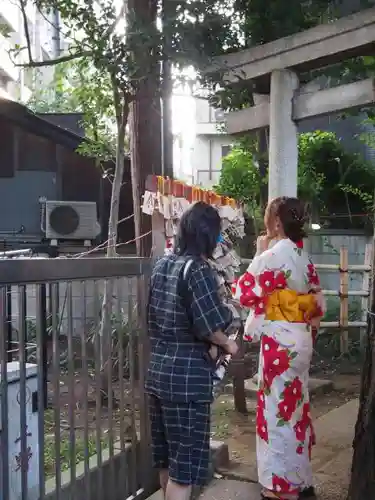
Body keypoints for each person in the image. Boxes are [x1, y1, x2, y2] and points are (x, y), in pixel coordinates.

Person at [145, 201, 239, 500]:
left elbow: (150, 317)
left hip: (158, 372)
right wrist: (227, 343)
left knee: (167, 460)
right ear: (208, 235)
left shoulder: (162, 265)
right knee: (184, 469)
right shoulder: (197, 269)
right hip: (186, 379)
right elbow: (209, 324)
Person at [234, 197, 324, 500]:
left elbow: (243, 293)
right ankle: (300, 478)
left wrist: (259, 252)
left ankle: (279, 488)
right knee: (296, 409)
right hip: (301, 341)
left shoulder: (272, 256)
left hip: (279, 346)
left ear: (275, 222)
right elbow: (317, 306)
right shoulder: (304, 257)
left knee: (276, 413)